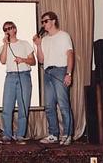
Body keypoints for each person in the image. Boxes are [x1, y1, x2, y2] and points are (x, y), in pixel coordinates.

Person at [33, 11, 74, 145]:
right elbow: (40, 60)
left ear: (53, 21)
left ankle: (67, 135)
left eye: (45, 21)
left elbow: (70, 55)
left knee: (63, 105)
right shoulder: (44, 40)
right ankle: (53, 134)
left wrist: (68, 74)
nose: (43, 24)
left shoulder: (63, 36)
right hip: (48, 73)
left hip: (60, 71)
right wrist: (38, 45)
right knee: (49, 106)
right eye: (42, 22)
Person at [0, 21, 36, 145]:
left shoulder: (24, 44)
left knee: (23, 107)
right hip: (10, 76)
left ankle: (20, 135)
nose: (7, 31)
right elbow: (2, 61)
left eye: (9, 28)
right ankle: (7, 135)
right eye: (5, 29)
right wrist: (5, 45)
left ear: (15, 29)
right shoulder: (4, 46)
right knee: (7, 107)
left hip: (24, 76)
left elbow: (33, 61)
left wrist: (23, 60)